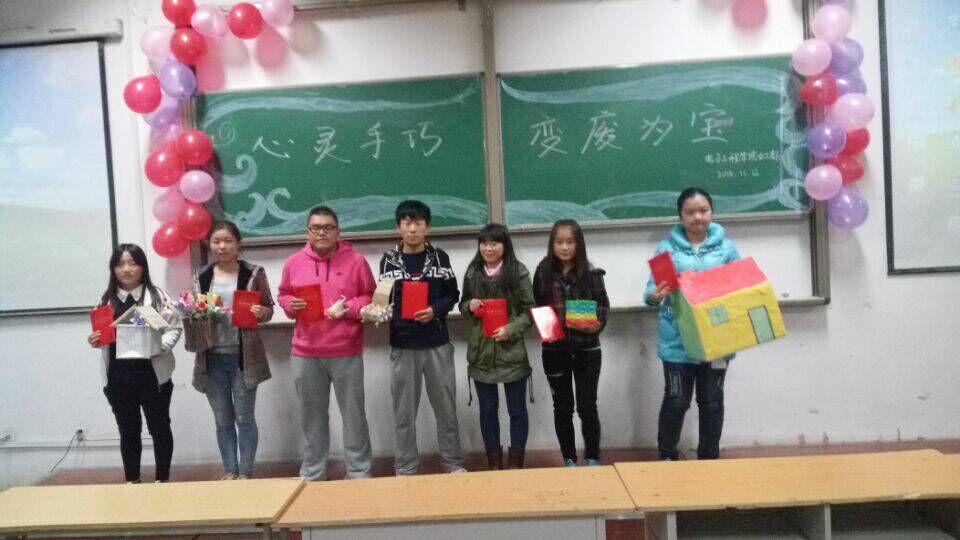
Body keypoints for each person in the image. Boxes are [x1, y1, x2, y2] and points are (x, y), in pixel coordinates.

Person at [277, 206, 376, 480]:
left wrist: (350, 308)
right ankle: (313, 472)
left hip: (346, 350)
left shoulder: (357, 261)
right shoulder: (293, 262)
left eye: (328, 228)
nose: (322, 233)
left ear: (338, 231)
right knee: (312, 417)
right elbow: (283, 295)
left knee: (354, 416)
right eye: (316, 228)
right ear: (307, 232)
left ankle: (358, 471)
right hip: (305, 352)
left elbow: (369, 296)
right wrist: (290, 304)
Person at [644, 187, 741, 461]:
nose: (698, 217)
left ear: (712, 212)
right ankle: (667, 456)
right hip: (677, 342)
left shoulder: (727, 248)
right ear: (681, 216)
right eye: (690, 212)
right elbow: (651, 291)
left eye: (703, 210)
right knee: (676, 401)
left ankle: (708, 459)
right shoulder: (666, 249)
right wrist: (655, 296)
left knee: (712, 402)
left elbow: (741, 286)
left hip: (717, 341)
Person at [379, 200, 466, 475]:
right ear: (399, 227)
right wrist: (376, 311)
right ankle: (405, 467)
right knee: (404, 413)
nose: (413, 229)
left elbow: (453, 295)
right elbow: (383, 298)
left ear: (427, 228)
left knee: (446, 410)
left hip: (436, 342)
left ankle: (453, 463)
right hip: (403, 344)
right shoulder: (388, 260)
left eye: (418, 223)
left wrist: (434, 310)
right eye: (407, 223)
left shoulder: (441, 258)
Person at [87, 244, 181, 483]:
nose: (126, 269)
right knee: (128, 431)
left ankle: (162, 480)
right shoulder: (106, 299)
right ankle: (132, 480)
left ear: (142, 267)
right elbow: (102, 336)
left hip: (152, 375)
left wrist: (159, 348)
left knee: (159, 427)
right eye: (120, 264)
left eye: (133, 263)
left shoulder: (156, 296)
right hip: (119, 377)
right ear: (113, 269)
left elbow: (173, 329)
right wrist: (95, 340)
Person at [190, 221, 274, 480]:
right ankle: (230, 471)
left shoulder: (253, 273)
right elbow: (195, 313)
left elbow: (269, 310)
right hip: (211, 357)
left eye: (227, 241)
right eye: (216, 241)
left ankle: (245, 472)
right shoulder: (202, 275)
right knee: (222, 419)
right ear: (209, 244)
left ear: (238, 243)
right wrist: (193, 313)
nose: (222, 246)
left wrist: (261, 312)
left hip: (244, 357)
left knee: (244, 418)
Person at [532, 219, 609, 467]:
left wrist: (597, 323)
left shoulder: (592, 273)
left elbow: (603, 307)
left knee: (587, 406)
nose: (564, 247)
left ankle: (593, 457)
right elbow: (537, 304)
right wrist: (545, 327)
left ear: (579, 244)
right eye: (559, 242)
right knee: (562, 407)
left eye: (570, 242)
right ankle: (569, 458)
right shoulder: (543, 271)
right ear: (552, 244)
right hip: (555, 351)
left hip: (587, 349)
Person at [458, 223, 535, 470]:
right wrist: (469, 306)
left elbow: (529, 311)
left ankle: (515, 464)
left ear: (505, 245)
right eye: (484, 243)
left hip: (511, 353)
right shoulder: (473, 272)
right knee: (488, 411)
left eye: (494, 243)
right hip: (481, 353)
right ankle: (494, 463)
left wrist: (510, 329)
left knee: (517, 411)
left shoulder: (518, 272)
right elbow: (463, 304)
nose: (488, 248)